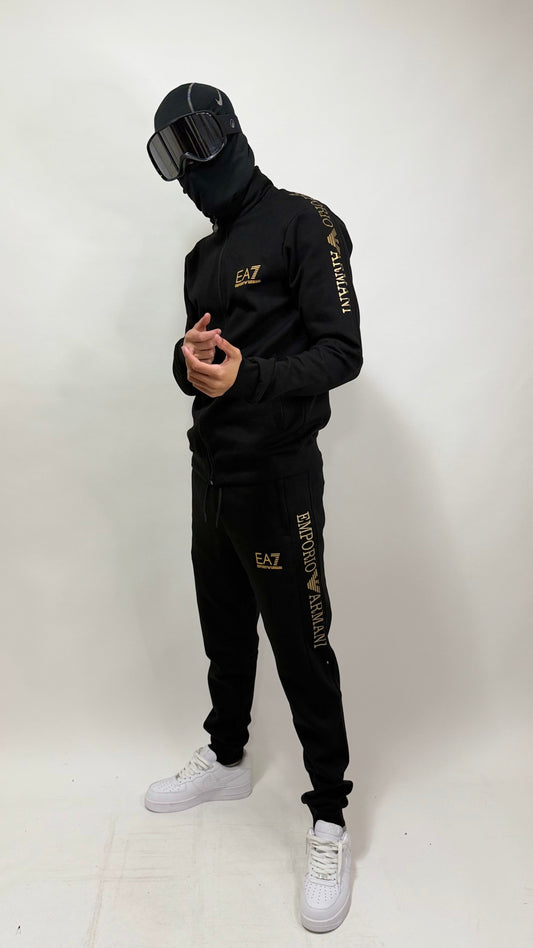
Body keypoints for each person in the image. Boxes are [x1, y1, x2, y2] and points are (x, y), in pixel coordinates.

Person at [144, 82, 363, 934]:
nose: (186, 171)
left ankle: (329, 817)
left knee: (302, 646)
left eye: (191, 144)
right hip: (211, 475)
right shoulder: (200, 258)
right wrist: (187, 357)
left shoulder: (306, 222)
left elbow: (340, 352)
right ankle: (228, 757)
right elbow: (199, 367)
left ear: (227, 133)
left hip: (278, 479)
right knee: (225, 629)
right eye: (169, 157)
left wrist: (254, 377)